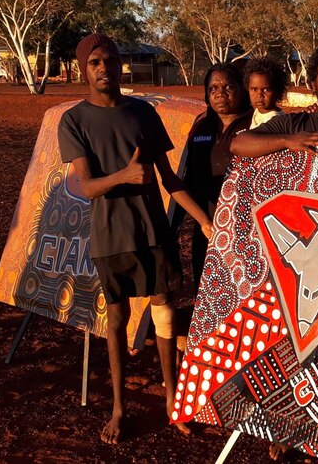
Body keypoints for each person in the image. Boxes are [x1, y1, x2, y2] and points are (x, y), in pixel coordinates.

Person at [58, 33, 213, 444]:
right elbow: (84, 186)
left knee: (164, 310)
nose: (104, 67)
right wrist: (124, 176)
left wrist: (204, 221)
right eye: (94, 62)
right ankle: (119, 407)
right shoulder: (74, 120)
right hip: (111, 237)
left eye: (109, 59)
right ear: (82, 70)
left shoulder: (143, 113)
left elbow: (171, 179)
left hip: (153, 232)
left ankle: (171, 399)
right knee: (118, 320)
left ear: (119, 63)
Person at [182, 62, 252, 287]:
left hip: (245, 226)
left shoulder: (258, 124)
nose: (220, 93)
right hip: (207, 226)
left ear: (242, 90)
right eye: (213, 88)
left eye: (228, 87)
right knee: (204, 289)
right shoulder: (201, 127)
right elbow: (188, 177)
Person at [245, 57, 287, 129]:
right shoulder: (257, 111)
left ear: (278, 91)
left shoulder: (277, 120)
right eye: (254, 89)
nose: (259, 95)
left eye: (266, 90)